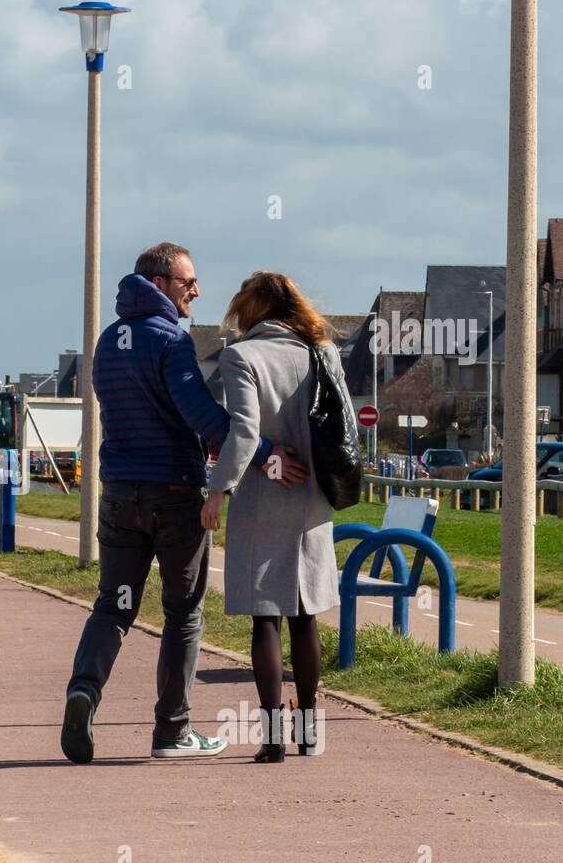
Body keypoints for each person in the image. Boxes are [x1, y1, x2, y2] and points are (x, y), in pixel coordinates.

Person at [60, 242, 308, 765]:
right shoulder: (171, 340)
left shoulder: (107, 341)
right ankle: (172, 730)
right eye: (186, 282)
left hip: (120, 493)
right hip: (173, 494)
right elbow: (204, 417)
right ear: (158, 282)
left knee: (114, 604)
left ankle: (83, 691)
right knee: (182, 614)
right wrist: (266, 454)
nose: (195, 290)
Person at [201, 272, 350, 763]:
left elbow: (243, 432)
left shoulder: (241, 356)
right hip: (313, 498)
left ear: (251, 308)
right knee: (306, 616)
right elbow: (343, 422)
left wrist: (218, 490)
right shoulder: (321, 352)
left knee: (266, 619)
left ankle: (271, 740)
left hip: (263, 498)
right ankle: (308, 732)